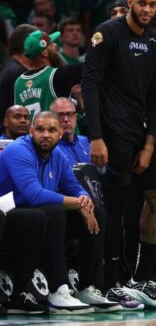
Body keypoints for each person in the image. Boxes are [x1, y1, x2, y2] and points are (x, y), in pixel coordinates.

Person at [81, 0, 156, 309]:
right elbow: (89, 85)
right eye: (142, 3)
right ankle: (110, 283)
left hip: (141, 132)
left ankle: (143, 279)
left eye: (152, 4)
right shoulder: (106, 34)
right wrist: (96, 136)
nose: (147, 9)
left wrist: (150, 145)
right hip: (111, 132)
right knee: (117, 208)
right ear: (130, 2)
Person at [0, 111, 117, 314]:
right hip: (9, 214)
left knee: (97, 212)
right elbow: (33, 194)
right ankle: (58, 290)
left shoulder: (57, 155)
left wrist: (84, 201)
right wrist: (78, 203)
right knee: (53, 213)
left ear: (60, 134)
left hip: (37, 212)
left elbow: (74, 186)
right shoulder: (19, 150)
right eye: (40, 129)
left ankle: (87, 287)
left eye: (52, 130)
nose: (46, 134)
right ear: (30, 131)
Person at [13, 29, 83, 121]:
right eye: (51, 43)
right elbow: (92, 64)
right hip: (57, 133)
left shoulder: (19, 82)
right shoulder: (57, 76)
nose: (56, 45)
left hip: (30, 134)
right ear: (44, 52)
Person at [49, 97, 89, 164]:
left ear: (76, 117)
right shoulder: (48, 149)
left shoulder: (87, 142)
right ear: (51, 118)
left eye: (70, 114)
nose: (66, 119)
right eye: (60, 115)